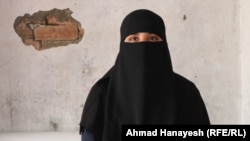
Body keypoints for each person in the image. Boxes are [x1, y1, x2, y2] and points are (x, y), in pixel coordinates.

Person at [79, 9, 210, 141]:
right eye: (134, 39)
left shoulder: (186, 92)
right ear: (122, 45)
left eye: (153, 38)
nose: (143, 47)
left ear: (164, 44)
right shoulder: (101, 94)